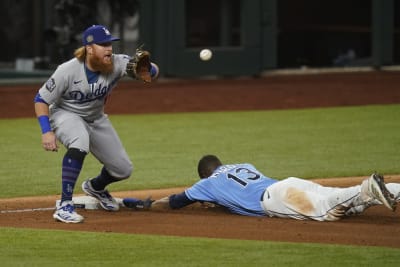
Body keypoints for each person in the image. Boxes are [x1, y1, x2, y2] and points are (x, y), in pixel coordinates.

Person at [34, 25, 159, 223]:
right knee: (79, 141)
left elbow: (152, 71)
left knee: (123, 169)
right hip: (66, 114)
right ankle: (65, 205)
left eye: (110, 44)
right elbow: (41, 99)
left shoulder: (118, 63)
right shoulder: (67, 71)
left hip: (96, 118)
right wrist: (46, 132)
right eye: (103, 45)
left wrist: (148, 68)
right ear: (89, 48)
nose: (109, 49)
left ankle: (95, 187)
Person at [143, 155, 399, 221]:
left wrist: (145, 204)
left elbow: (174, 202)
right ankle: (390, 190)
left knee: (325, 211)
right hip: (287, 184)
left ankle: (367, 189)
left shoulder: (206, 183)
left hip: (275, 200)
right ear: (220, 164)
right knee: (336, 200)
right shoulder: (243, 164)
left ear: (203, 174)